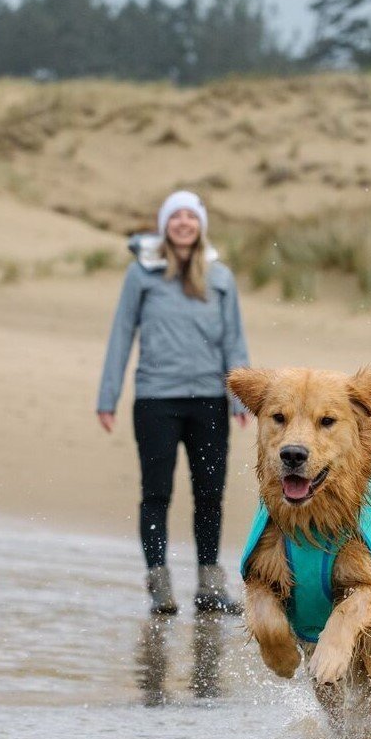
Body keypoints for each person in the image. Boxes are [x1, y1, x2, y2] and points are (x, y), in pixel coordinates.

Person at [97, 190, 251, 615]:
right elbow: (121, 335)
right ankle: (159, 585)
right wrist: (108, 396)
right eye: (176, 216)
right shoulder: (141, 274)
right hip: (156, 400)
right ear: (165, 224)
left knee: (210, 493)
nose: (184, 223)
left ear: (200, 225)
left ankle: (210, 586)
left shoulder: (220, 277)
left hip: (209, 401)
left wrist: (241, 398)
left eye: (191, 216)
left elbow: (235, 341)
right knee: (156, 492)